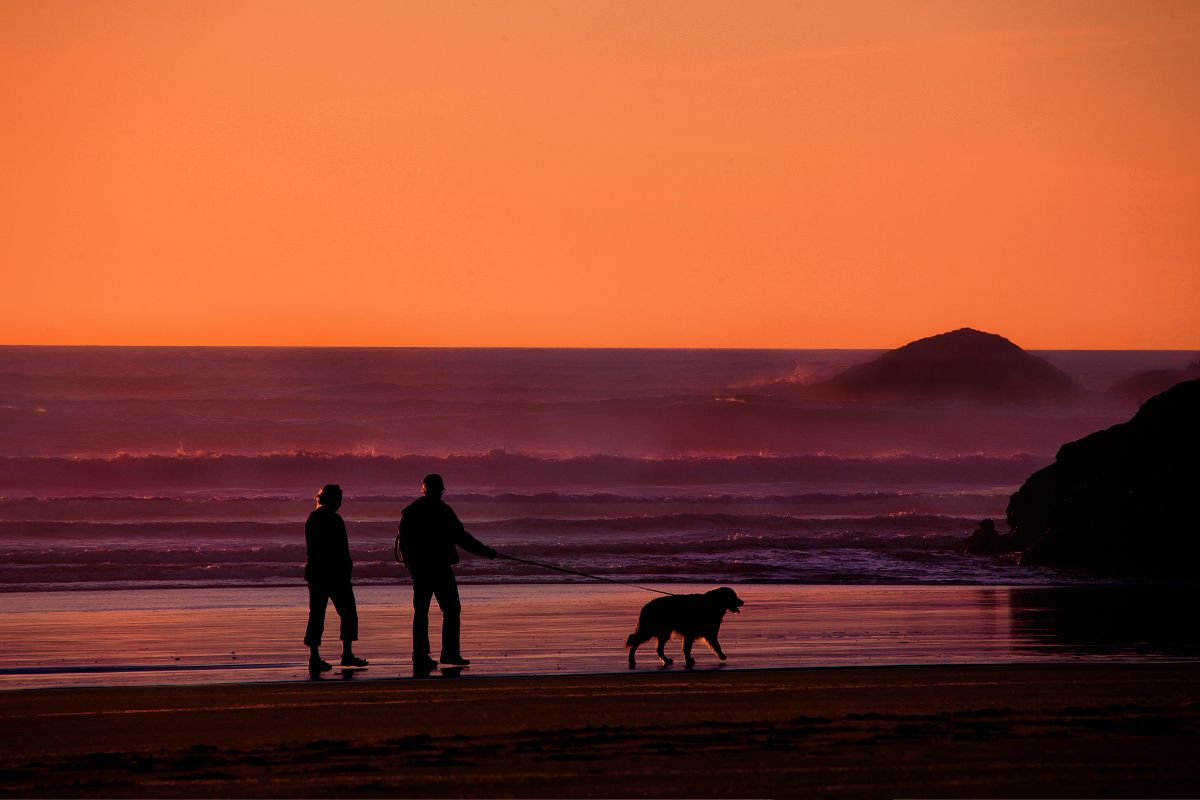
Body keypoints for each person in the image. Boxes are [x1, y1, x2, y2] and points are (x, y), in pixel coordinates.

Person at [397, 474, 497, 671]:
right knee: (451, 610)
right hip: (440, 567)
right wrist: (485, 552)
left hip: (420, 568)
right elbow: (461, 537)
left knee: (422, 612)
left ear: (423, 489)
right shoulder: (443, 510)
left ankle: (420, 655)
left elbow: (404, 543)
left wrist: (409, 561)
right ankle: (449, 652)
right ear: (439, 490)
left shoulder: (411, 511)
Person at [303, 484, 368, 671]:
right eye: (338, 499)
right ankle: (346, 654)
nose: (340, 503)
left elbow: (314, 548)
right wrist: (346, 567)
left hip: (317, 573)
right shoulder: (333, 518)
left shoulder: (314, 517)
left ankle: (314, 657)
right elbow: (339, 548)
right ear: (331, 499)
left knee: (317, 615)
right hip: (334, 573)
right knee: (348, 613)